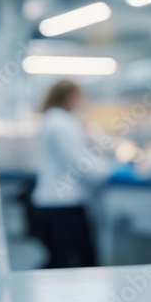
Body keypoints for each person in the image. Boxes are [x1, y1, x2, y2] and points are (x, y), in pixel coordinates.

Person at [31, 80, 110, 268]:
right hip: (64, 203)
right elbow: (80, 163)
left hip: (52, 202)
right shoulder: (61, 123)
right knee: (78, 262)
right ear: (69, 97)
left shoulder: (51, 120)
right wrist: (110, 171)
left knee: (59, 260)